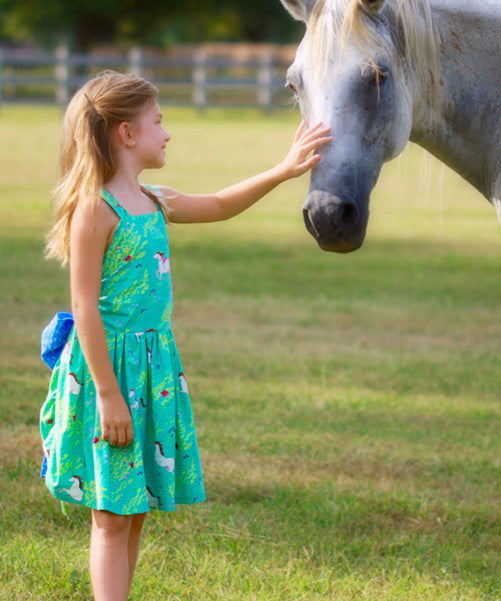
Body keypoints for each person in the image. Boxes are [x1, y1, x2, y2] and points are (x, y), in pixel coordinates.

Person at [39, 70, 331, 601]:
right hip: (110, 372)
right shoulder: (95, 210)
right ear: (127, 134)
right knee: (109, 512)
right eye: (157, 122)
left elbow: (219, 204)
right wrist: (107, 394)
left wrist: (284, 171)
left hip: (153, 372)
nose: (166, 133)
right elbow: (84, 308)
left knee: (137, 505)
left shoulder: (153, 199)